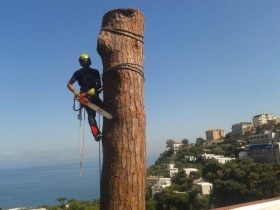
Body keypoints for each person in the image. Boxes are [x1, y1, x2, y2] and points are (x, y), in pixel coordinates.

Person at [67, 53, 103, 141]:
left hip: (94, 94)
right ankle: (96, 133)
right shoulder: (78, 73)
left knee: (104, 108)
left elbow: (99, 84)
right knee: (91, 115)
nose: (85, 62)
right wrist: (76, 92)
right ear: (81, 62)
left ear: (89, 60)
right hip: (84, 96)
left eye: (86, 60)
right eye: (83, 61)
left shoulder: (95, 72)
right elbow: (69, 84)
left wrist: (94, 89)